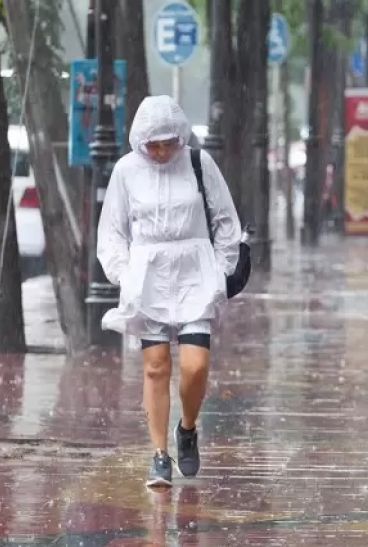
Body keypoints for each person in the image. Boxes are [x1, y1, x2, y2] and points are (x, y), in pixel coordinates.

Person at [97, 95, 242, 487]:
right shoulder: (126, 171)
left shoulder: (199, 163)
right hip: (149, 277)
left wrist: (223, 268)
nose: (161, 151)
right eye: (153, 144)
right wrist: (125, 275)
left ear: (181, 136)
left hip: (195, 271)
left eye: (168, 142)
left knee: (196, 365)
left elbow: (226, 218)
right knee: (156, 365)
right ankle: (159, 454)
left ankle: (188, 428)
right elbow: (112, 230)